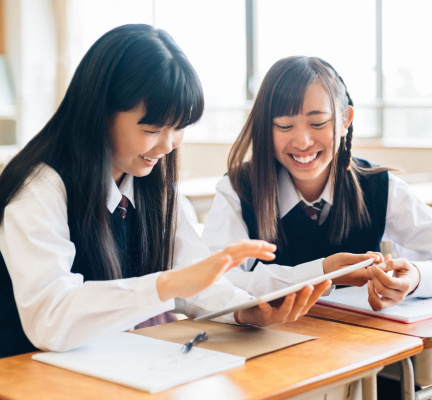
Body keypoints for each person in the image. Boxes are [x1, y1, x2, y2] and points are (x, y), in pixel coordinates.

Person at [0, 27, 330, 359]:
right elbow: (49, 317)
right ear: (100, 113)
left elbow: (193, 275)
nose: (167, 144)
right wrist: (166, 285)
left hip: (107, 366)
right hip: (27, 375)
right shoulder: (39, 187)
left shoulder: (154, 188)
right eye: (152, 129)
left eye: (179, 127)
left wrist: (245, 311)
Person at [202, 55, 432, 310]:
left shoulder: (378, 187)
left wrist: (417, 277)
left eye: (318, 123)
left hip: (363, 355)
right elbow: (210, 285)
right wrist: (323, 272)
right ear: (267, 127)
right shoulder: (238, 190)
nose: (302, 141)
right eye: (285, 126)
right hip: (270, 355)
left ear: (344, 121)